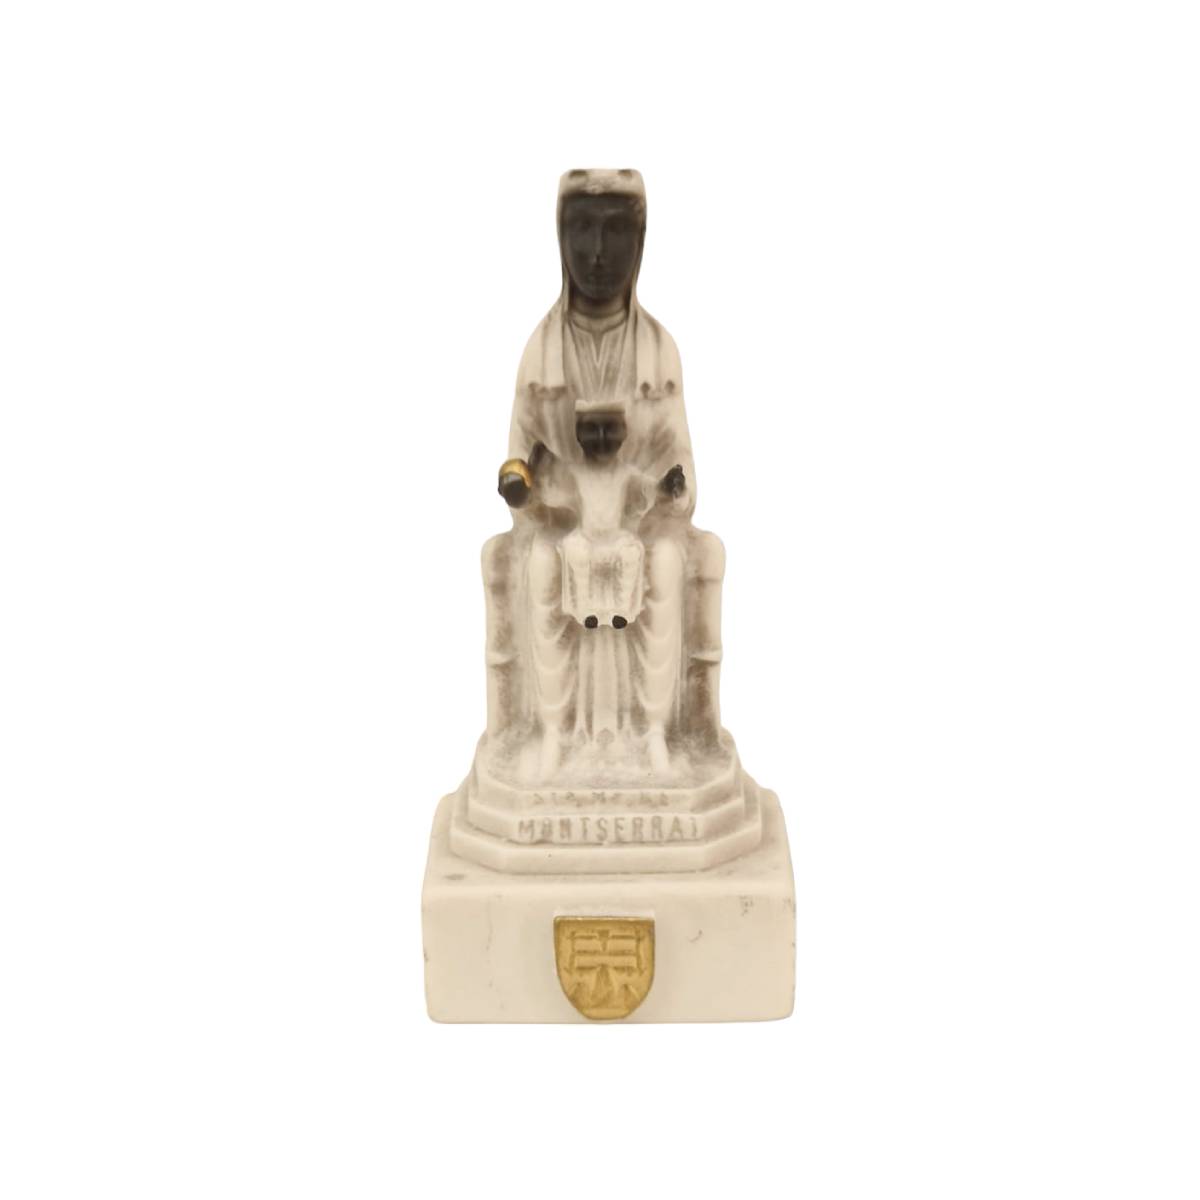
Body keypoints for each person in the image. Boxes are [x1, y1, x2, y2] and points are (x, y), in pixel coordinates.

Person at [484, 169, 723, 780]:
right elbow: (519, 456)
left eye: (615, 233)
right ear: (559, 238)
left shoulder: (659, 353)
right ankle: (552, 735)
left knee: (666, 561)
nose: (596, 253)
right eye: (582, 231)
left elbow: (680, 465)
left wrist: (669, 491)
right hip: (564, 520)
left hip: (638, 522)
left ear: (639, 244)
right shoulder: (540, 353)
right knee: (541, 564)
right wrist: (522, 486)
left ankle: (654, 735)